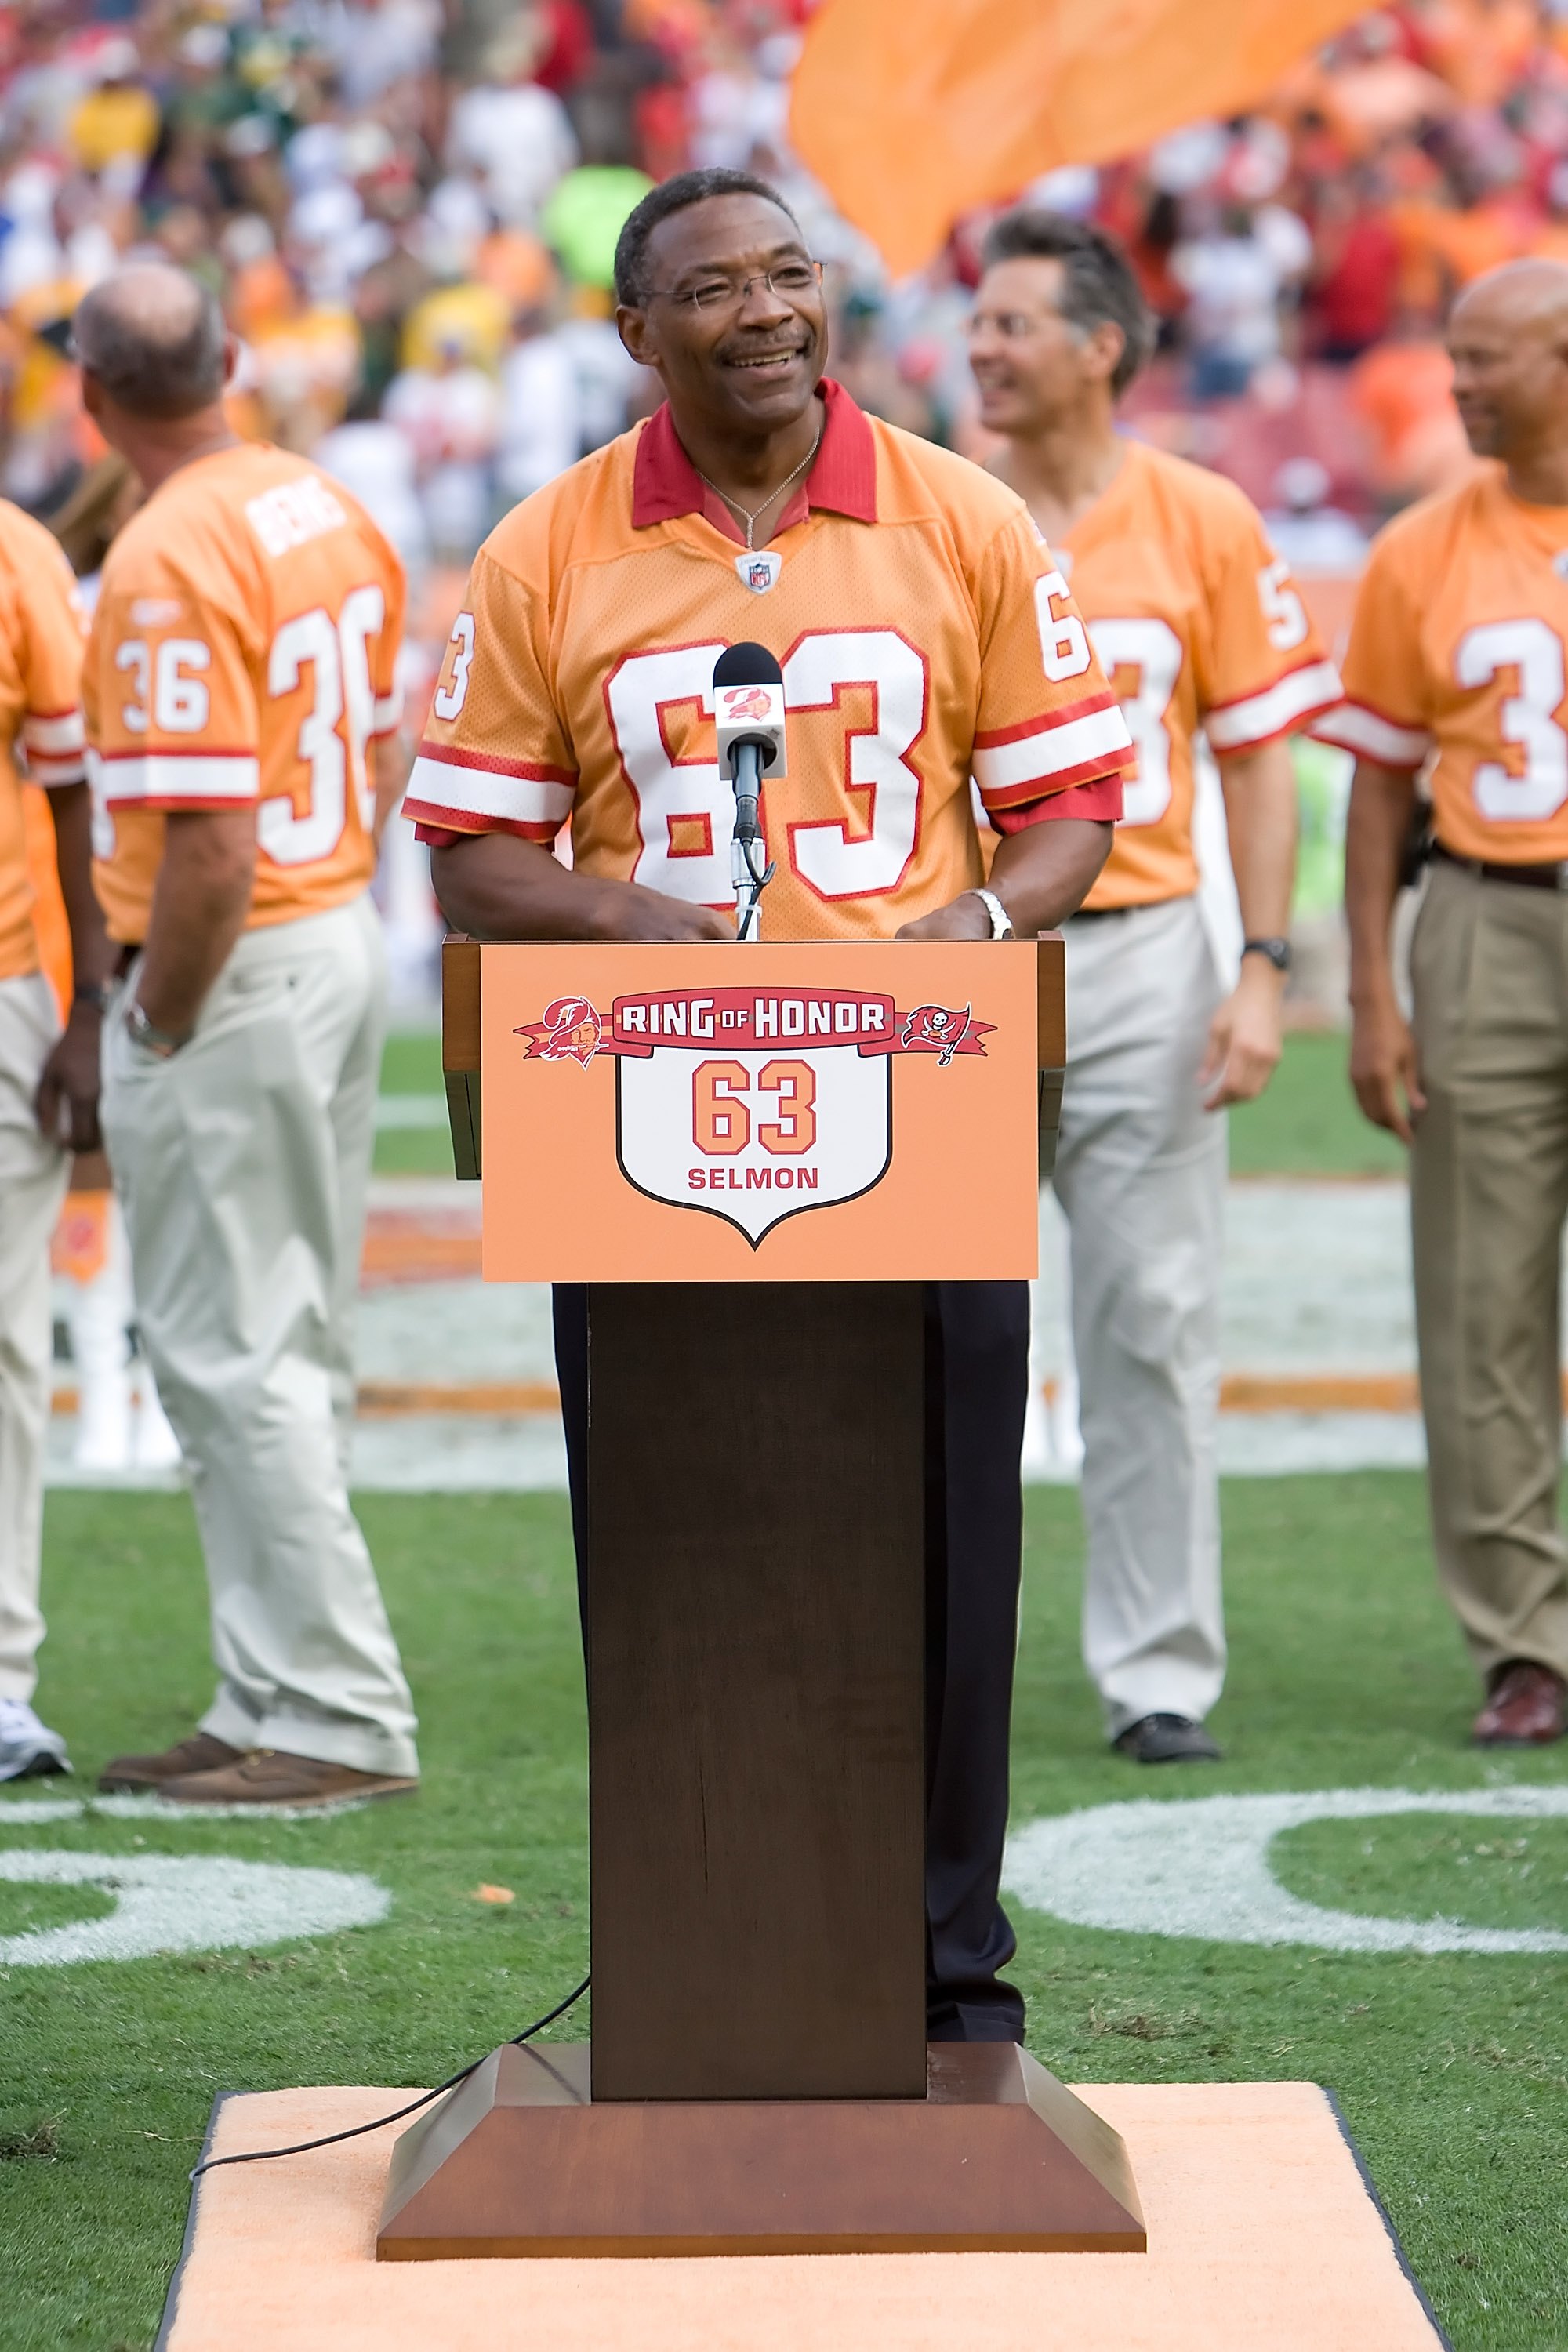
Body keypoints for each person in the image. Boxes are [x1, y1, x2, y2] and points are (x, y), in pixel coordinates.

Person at [405, 167, 1134, 2043]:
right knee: (669, 1537)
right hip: (649, 1116)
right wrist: (623, 913)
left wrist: (967, 921)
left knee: (953, 1538)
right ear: (634, 331)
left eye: (791, 275)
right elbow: (474, 859)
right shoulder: (545, 546)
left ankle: (947, 1970)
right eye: (716, 288)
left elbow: (1068, 810)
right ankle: (694, 1943)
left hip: (921, 1099)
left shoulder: (959, 514)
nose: (768, 312)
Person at [971, 212, 1341, 1762]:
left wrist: (1258, 967)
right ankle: (919, 1652)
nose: (979, 347)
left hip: (1137, 950)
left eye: (1010, 324)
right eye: (977, 323)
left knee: (1150, 1316)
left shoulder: (1197, 516)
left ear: (1100, 346)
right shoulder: (935, 510)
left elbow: (1259, 761)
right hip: (965, 957)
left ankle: (1157, 1669)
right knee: (939, 1329)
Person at [76, 264, 420, 1806]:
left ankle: (333, 1713)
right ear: (228, 360)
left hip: (236, 951)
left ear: (89, 399)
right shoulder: (317, 500)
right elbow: (395, 733)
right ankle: (272, 1682)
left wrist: (152, 1012)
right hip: (330, 920)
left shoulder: (162, 553)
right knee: (291, 1341)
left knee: (231, 1352)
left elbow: (206, 840)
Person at [1332, 258, 1568, 1748]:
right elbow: (1377, 789)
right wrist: (1369, 983)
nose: (1459, 384)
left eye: (1490, 358)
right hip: (1488, 915)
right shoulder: (1423, 548)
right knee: (1480, 1296)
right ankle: (1524, 1642)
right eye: (1455, 356)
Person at [0, 503, 111, 1780]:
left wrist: (86, 1006)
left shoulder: (17, 556)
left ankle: (2, 1674)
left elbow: (77, 787)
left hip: (7, 980)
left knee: (7, 1333)